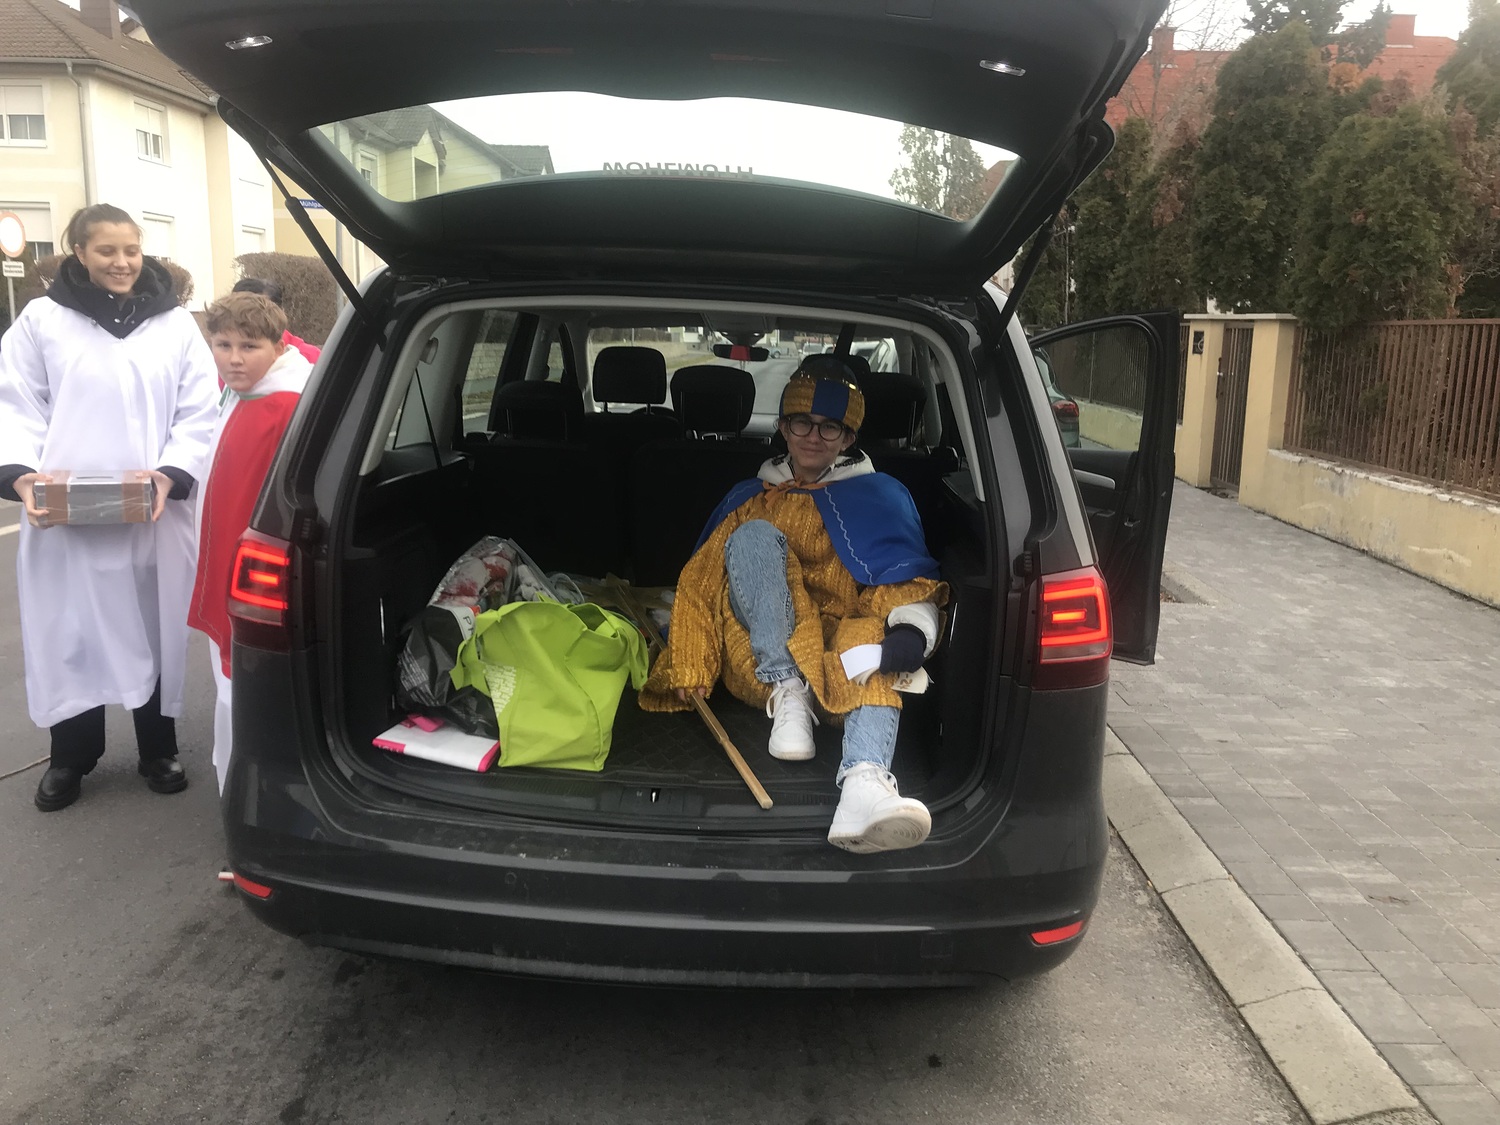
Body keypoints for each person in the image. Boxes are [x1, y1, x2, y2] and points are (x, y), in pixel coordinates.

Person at [640, 355, 948, 853]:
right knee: (753, 538)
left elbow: (900, 578)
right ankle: (790, 693)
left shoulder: (883, 496)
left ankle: (864, 785)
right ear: (783, 427)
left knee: (871, 637)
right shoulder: (751, 498)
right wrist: (691, 662)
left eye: (830, 427)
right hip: (762, 656)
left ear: (849, 438)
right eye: (801, 422)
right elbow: (700, 582)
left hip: (839, 657)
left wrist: (909, 631)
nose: (813, 437)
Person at [0, 203, 218, 811]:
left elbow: (199, 408)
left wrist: (173, 474)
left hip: (153, 513)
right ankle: (72, 756)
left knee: (152, 626)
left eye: (131, 250)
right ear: (79, 253)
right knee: (73, 633)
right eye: (106, 251)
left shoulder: (173, 325)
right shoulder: (43, 321)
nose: (122, 262)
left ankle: (157, 748)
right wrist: (22, 478)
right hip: (66, 519)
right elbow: (14, 403)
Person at [187, 292, 311, 794]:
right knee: (231, 675)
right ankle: (233, 778)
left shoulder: (287, 404)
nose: (234, 359)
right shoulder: (243, 392)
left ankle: (249, 787)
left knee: (246, 677)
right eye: (223, 345)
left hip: (255, 566)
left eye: (249, 347)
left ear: (279, 347)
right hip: (227, 554)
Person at [230, 277, 320, 364]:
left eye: (257, 313)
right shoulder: (224, 357)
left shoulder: (310, 358)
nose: (247, 319)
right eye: (238, 312)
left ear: (279, 313)